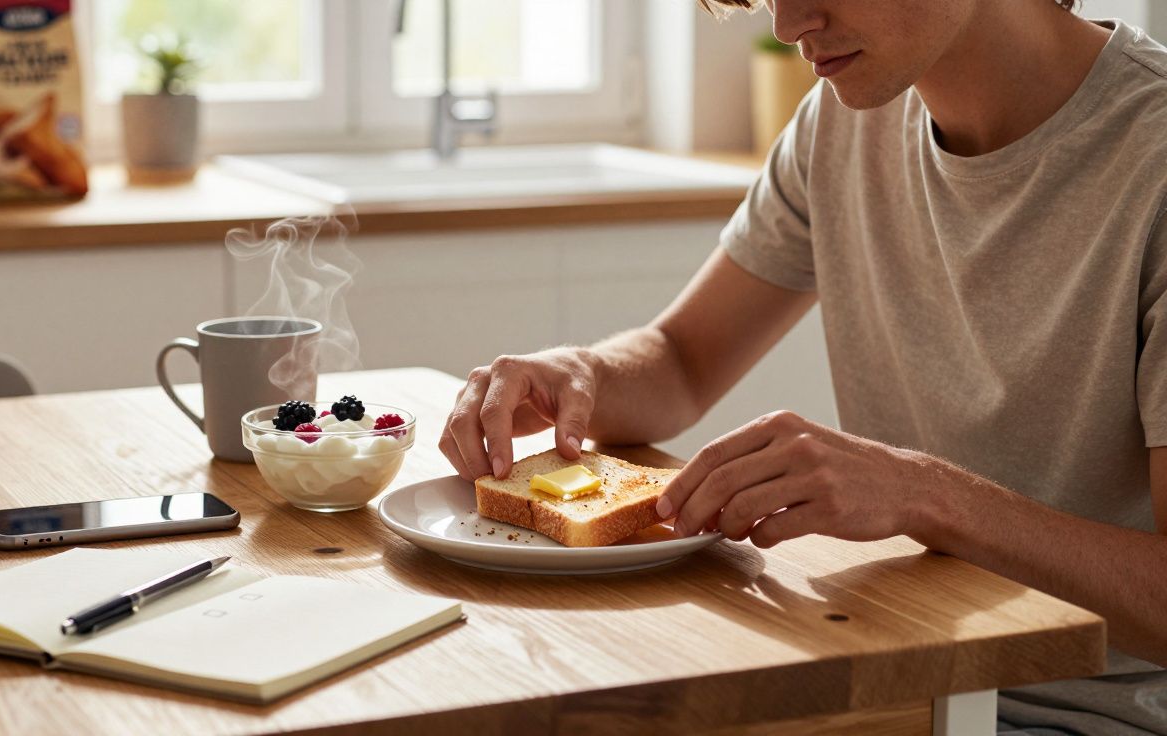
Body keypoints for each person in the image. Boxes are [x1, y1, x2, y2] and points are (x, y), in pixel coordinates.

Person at [439, 0, 1167, 732]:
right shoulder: (847, 118)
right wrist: (582, 372)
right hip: (894, 676)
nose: (788, 25)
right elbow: (683, 360)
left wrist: (926, 494)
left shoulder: (1154, 155)